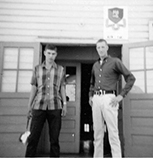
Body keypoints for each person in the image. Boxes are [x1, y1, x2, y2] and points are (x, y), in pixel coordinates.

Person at [89, 39, 136, 158]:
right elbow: (92, 82)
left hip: (109, 98)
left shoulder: (115, 62)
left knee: (113, 132)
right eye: (98, 47)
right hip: (96, 99)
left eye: (102, 47)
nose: (100, 49)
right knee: (97, 133)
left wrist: (121, 96)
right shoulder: (95, 65)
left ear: (107, 48)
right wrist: (91, 96)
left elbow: (131, 78)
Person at [25, 44, 67, 157]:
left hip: (55, 106)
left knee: (54, 140)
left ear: (56, 55)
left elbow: (62, 87)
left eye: (53, 54)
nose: (51, 56)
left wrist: (65, 104)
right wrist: (29, 106)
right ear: (44, 53)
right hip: (39, 106)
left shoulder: (61, 70)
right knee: (33, 138)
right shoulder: (37, 69)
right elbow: (34, 87)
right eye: (49, 53)